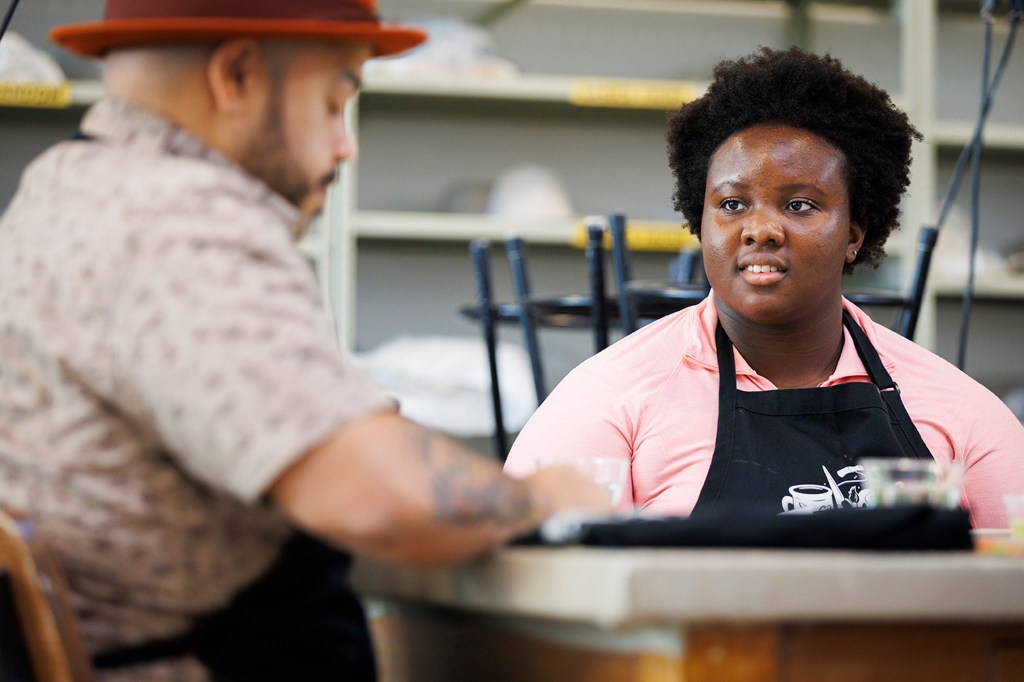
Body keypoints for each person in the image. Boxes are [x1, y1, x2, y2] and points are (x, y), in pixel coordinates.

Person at [0, 1, 613, 680]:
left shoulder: (56, 189)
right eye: (332, 100)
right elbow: (380, 497)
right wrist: (552, 497)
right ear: (235, 75)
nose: (345, 144)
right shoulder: (180, 222)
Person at [505, 46, 1024, 529]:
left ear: (854, 236)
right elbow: (541, 585)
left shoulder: (959, 411)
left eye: (800, 205)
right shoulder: (610, 399)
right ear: (699, 221)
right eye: (732, 205)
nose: (760, 229)